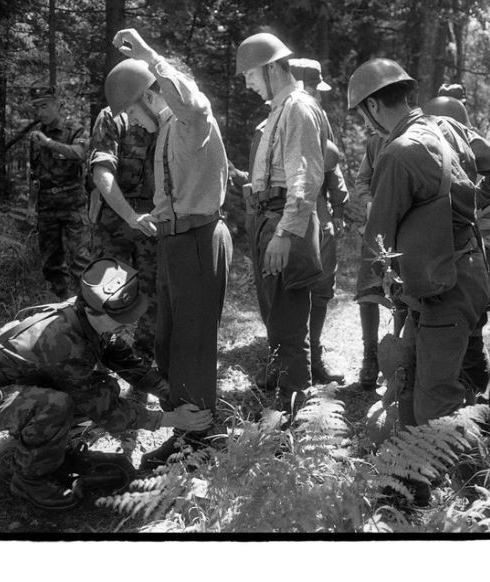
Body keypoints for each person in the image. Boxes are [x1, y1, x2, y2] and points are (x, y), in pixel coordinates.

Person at [348, 58, 490, 427]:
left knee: (433, 402)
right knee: (413, 382)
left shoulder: (397, 153)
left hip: (445, 286)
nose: (367, 124)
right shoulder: (450, 126)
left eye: (364, 114)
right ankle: (414, 473)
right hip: (461, 274)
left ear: (374, 106)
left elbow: (378, 233)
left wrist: (372, 290)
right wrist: (466, 207)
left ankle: (454, 478)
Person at [0, 258, 212, 511]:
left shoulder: (87, 317)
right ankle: (29, 480)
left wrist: (165, 390)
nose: (127, 323)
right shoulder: (64, 343)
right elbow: (106, 409)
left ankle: (57, 453)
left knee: (83, 396)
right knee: (57, 406)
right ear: (94, 311)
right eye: (119, 317)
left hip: (22, 381)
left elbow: (123, 358)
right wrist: (170, 420)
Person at [106, 29, 233, 465]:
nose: (132, 122)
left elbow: (192, 100)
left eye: (132, 111)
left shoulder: (189, 121)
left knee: (191, 346)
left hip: (197, 239)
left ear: (150, 96)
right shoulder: (164, 134)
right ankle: (185, 424)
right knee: (168, 343)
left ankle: (198, 441)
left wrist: (147, 56)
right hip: (176, 242)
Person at [236, 32, 328, 413]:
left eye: (251, 74)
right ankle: (282, 390)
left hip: (282, 222)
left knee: (289, 319)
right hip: (267, 219)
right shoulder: (279, 109)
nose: (247, 83)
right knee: (274, 312)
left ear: (272, 67)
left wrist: (286, 231)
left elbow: (306, 176)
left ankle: (294, 408)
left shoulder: (297, 108)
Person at [421, 94, 490, 400]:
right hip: (449, 253)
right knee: (456, 332)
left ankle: (475, 398)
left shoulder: (465, 146)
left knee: (470, 331)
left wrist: (471, 202)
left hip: (469, 254)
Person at [289, 58, 348, 385]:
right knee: (291, 290)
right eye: (313, 87)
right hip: (291, 214)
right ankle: (287, 360)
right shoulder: (280, 116)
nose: (318, 94)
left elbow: (331, 165)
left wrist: (337, 209)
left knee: (321, 289)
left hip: (318, 212)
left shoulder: (318, 116)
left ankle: (314, 356)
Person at [88, 106, 158, 363]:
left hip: (154, 221)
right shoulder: (113, 117)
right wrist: (129, 215)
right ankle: (96, 363)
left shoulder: (166, 114)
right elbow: (101, 172)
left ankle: (143, 364)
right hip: (114, 221)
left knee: (154, 296)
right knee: (105, 295)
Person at [27, 86, 94, 299]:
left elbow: (80, 154)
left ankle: (91, 308)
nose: (40, 112)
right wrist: (31, 203)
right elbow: (35, 173)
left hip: (73, 203)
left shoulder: (74, 130)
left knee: (80, 259)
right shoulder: (36, 136)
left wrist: (49, 144)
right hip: (46, 205)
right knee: (51, 261)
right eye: (36, 107)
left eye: (45, 106)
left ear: (58, 105)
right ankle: (63, 305)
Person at [354, 131, 407, 390]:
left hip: (406, 229)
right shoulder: (376, 140)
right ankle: (371, 357)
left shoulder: (415, 136)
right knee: (367, 292)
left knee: (403, 297)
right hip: (375, 229)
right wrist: (370, 203)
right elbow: (362, 180)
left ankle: (399, 362)